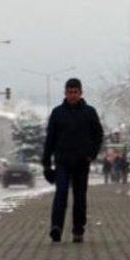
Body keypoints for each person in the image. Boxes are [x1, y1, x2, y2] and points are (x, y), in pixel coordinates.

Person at [42, 77, 103, 244]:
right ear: (65, 93)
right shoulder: (57, 113)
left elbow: (98, 135)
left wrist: (92, 154)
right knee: (60, 194)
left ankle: (78, 229)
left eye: (75, 92)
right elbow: (50, 139)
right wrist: (46, 164)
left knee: (79, 197)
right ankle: (56, 227)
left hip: (82, 162)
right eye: (69, 92)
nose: (72, 95)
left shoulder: (89, 112)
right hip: (62, 162)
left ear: (81, 93)